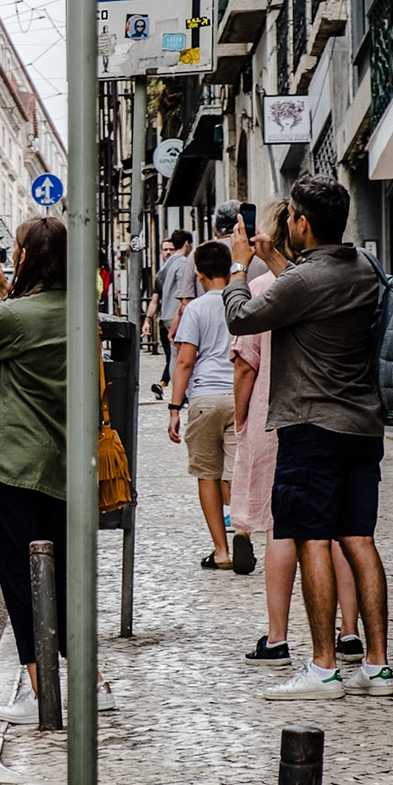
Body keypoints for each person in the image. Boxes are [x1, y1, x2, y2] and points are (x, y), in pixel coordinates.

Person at [224, 176, 393, 700]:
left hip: (310, 427)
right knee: (359, 539)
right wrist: (274, 261)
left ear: (301, 221)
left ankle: (322, 668)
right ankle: (378, 665)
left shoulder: (302, 280)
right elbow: (305, 291)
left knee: (310, 538)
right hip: (361, 427)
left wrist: (238, 265)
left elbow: (241, 314)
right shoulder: (364, 267)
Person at [0, 216, 116, 721]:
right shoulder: (85, 312)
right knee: (64, 579)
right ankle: (95, 682)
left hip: (17, 468)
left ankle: (43, 691)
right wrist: (4, 289)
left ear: (23, 258)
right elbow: (25, 320)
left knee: (22, 580)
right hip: (70, 468)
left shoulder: (15, 317)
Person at [229, 201, 363, 666]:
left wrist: (240, 418)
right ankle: (349, 633)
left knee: (283, 528)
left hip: (284, 417)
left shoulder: (265, 288)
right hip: (347, 416)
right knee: (344, 532)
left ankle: (278, 637)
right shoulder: (344, 276)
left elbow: (246, 364)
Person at [168, 240, 244, 573]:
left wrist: (174, 406)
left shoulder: (196, 309)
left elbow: (185, 361)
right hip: (240, 396)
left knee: (207, 475)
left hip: (204, 399)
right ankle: (243, 531)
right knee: (237, 474)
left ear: (199, 274)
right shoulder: (245, 302)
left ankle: (221, 551)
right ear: (230, 269)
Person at [152, 230, 196, 399]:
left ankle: (178, 393)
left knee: (173, 357)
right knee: (181, 357)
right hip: (178, 314)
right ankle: (182, 393)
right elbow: (183, 290)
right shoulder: (183, 263)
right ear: (187, 243)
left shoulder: (168, 264)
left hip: (167, 314)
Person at [143, 237, 175, 356]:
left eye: (171, 249)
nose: (168, 252)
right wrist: (147, 320)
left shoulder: (182, 270)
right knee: (169, 358)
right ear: (161, 252)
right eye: (165, 249)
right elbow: (154, 301)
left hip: (180, 322)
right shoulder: (160, 276)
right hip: (164, 323)